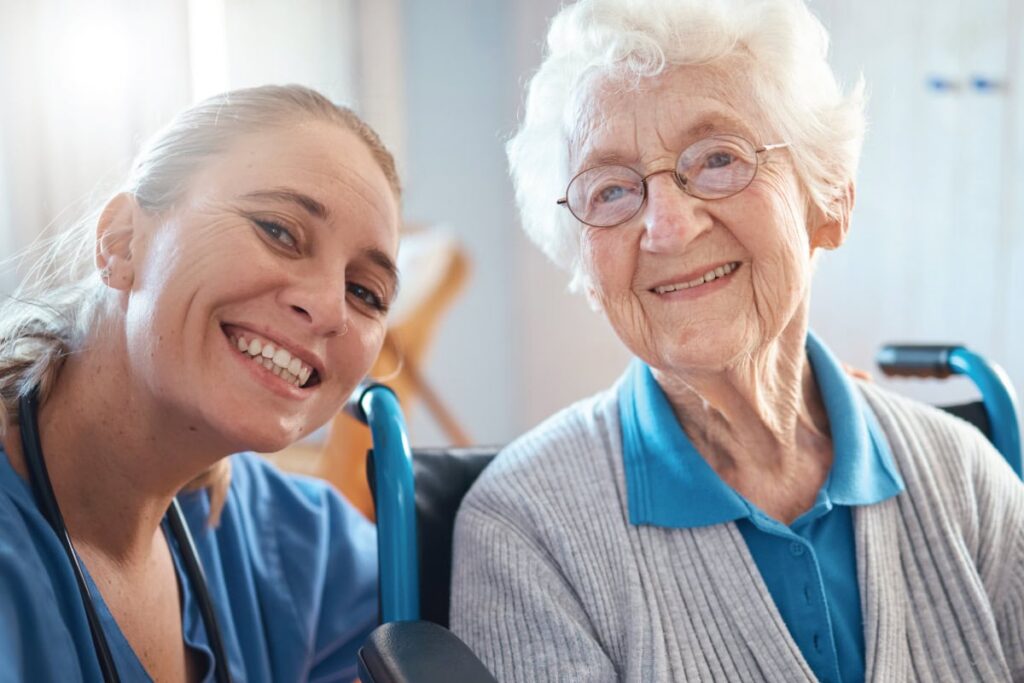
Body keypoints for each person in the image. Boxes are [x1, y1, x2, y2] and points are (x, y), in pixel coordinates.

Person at [450, 1, 1024, 681]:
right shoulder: (525, 531)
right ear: (586, 264)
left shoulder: (966, 481)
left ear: (831, 199)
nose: (667, 227)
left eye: (718, 158)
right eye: (610, 190)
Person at [0, 85, 400, 681]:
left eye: (364, 292)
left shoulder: (297, 550)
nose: (327, 308)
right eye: (279, 231)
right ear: (122, 241)